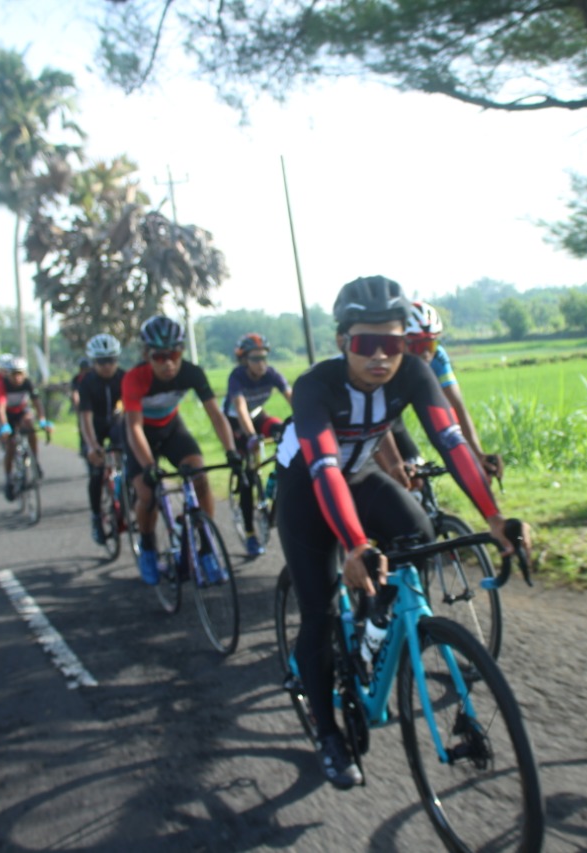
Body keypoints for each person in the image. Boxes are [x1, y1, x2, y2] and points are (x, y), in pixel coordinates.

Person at [275, 275, 523, 790]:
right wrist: (355, 543)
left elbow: (452, 442)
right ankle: (327, 734)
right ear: (343, 341)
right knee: (319, 613)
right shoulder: (315, 386)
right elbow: (323, 468)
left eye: (392, 344)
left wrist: (494, 517)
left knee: (418, 533)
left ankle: (377, 621)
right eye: (366, 343)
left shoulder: (412, 372)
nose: (380, 357)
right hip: (306, 489)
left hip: (359, 474)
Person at [122, 315, 241, 584]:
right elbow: (134, 428)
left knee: (200, 477)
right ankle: (148, 547)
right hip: (141, 434)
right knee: (147, 493)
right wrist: (149, 467)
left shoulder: (191, 372)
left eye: (174, 354)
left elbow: (216, 415)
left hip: (171, 428)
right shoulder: (134, 379)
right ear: (146, 354)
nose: (169, 363)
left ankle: (206, 548)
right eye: (160, 356)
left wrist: (231, 451)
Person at [383, 300, 503, 487]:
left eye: (430, 344)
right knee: (397, 478)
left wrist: (477, 454)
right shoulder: (383, 362)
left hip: (393, 422)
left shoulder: (438, 357)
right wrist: (393, 463)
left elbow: (456, 407)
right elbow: (375, 423)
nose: (425, 354)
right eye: (417, 346)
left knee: (418, 479)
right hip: (377, 424)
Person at [222, 332, 293, 557]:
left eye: (264, 357)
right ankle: (250, 533)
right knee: (248, 476)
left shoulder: (271, 374)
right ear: (244, 360)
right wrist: (252, 436)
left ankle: (276, 480)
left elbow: (292, 397)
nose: (261, 363)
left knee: (285, 431)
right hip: (236, 423)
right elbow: (241, 408)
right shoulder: (237, 377)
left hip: (258, 415)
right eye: (255, 358)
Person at [78, 333, 127, 544]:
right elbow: (85, 417)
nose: (107, 365)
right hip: (93, 426)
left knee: (131, 463)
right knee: (96, 472)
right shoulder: (87, 382)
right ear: (93, 362)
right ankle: (96, 517)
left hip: (115, 423)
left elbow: (131, 409)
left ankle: (125, 500)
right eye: (101, 361)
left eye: (111, 360)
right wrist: (91, 446)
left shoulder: (124, 377)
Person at [0, 356, 51, 501]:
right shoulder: (3, 385)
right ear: (9, 374)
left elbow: (37, 403)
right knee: (10, 446)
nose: (17, 377)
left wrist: (42, 420)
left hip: (21, 411)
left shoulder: (28, 383)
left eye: (20, 373)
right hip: (8, 414)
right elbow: (1, 408)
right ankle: (8, 478)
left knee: (30, 426)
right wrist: (4, 426)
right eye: (14, 374)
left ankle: (35, 461)